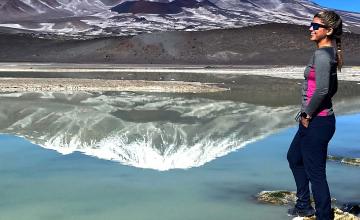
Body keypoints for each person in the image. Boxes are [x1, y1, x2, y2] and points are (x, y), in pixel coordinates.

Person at [287, 10, 343, 220]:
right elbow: (332, 88)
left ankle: (323, 216)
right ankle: (303, 205)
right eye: (311, 25)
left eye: (315, 26)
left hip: (316, 121)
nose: (311, 29)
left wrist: (308, 114)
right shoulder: (329, 53)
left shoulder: (322, 55)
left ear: (328, 30)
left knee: (316, 174)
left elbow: (322, 90)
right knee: (294, 158)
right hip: (316, 119)